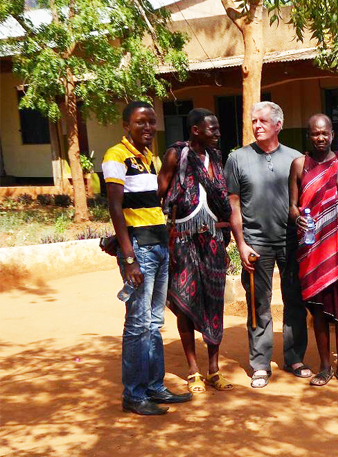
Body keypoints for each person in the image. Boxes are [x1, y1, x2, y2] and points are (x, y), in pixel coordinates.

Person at [103, 101, 192, 415]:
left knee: (154, 322)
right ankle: (134, 394)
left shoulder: (149, 158)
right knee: (138, 323)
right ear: (126, 124)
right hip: (139, 251)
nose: (148, 128)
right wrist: (128, 258)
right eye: (141, 122)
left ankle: (155, 387)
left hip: (158, 247)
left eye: (152, 122)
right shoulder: (116, 156)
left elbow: (142, 206)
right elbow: (115, 207)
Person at [225, 101, 311, 388]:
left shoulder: (296, 159)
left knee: (295, 301)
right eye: (254, 121)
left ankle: (295, 357)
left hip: (291, 242)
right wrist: (241, 245)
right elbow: (234, 207)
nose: (257, 126)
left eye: (263, 121)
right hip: (256, 244)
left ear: (278, 125)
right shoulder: (237, 159)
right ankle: (260, 363)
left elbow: (304, 204)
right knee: (258, 304)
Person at [158, 108, 233, 394]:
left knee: (214, 303)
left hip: (212, 239)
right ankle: (193, 370)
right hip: (183, 240)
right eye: (211, 129)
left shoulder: (215, 158)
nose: (217, 132)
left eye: (217, 128)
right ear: (195, 130)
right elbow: (160, 192)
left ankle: (213, 370)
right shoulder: (176, 155)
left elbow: (222, 197)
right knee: (186, 304)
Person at [289, 114, 338, 387]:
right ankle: (324, 366)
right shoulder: (299, 164)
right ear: (308, 135)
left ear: (332, 133)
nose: (320, 138)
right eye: (314, 134)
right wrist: (297, 216)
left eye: (324, 133)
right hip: (313, 249)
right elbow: (292, 205)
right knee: (318, 309)